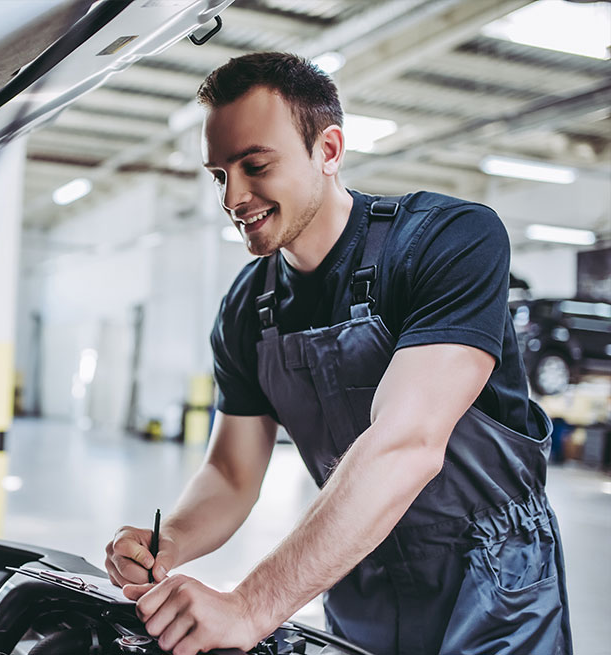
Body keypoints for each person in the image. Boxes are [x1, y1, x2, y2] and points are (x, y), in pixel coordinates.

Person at [105, 52, 572, 655]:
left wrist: (250, 605)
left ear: (327, 151)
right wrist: (171, 541)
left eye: (255, 165)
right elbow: (231, 471)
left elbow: (407, 444)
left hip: (492, 582)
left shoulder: (447, 242)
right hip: (354, 568)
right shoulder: (248, 307)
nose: (233, 197)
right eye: (220, 174)